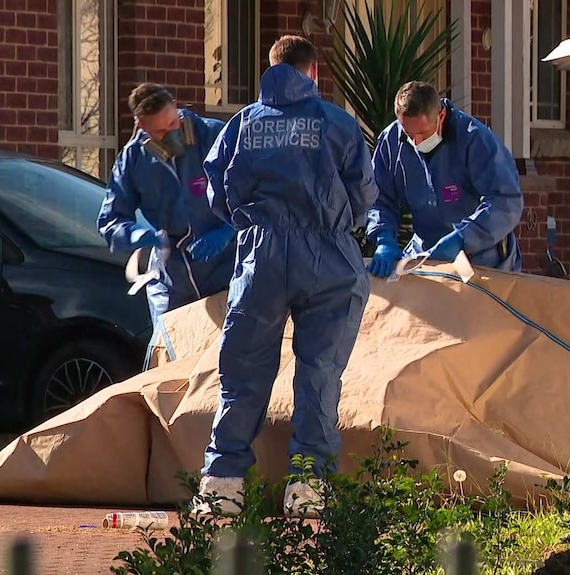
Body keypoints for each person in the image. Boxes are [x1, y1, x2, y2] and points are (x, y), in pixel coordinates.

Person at [197, 35, 378, 517]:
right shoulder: (337, 123)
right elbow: (363, 193)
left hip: (262, 255)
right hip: (328, 256)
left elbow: (216, 187)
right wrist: (336, 225)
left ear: (271, 68)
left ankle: (222, 483)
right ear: (313, 72)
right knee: (319, 371)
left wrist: (251, 224)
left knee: (243, 369)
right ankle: (307, 486)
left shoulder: (241, 125)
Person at [98, 83, 236, 347]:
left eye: (174, 123)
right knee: (173, 355)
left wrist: (229, 229)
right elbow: (110, 221)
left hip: (224, 270)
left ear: (177, 108)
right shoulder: (134, 160)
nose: (172, 134)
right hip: (172, 279)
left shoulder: (212, 136)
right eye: (161, 131)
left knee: (228, 356)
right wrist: (142, 235)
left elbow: (254, 194)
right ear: (142, 127)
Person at [366, 81, 524, 278]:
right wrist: (384, 239)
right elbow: (378, 197)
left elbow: (505, 201)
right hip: (426, 254)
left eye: (423, 133)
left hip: (484, 258)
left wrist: (462, 237)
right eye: (409, 134)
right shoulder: (391, 141)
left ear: (440, 116)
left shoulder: (474, 139)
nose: (416, 142)